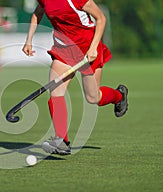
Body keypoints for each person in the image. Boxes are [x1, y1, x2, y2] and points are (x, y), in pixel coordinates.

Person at [22, 0, 128, 155]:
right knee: (55, 93)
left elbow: (101, 18)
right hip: (64, 50)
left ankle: (119, 96)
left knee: (93, 97)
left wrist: (93, 48)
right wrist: (29, 40)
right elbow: (38, 13)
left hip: (87, 49)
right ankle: (62, 141)